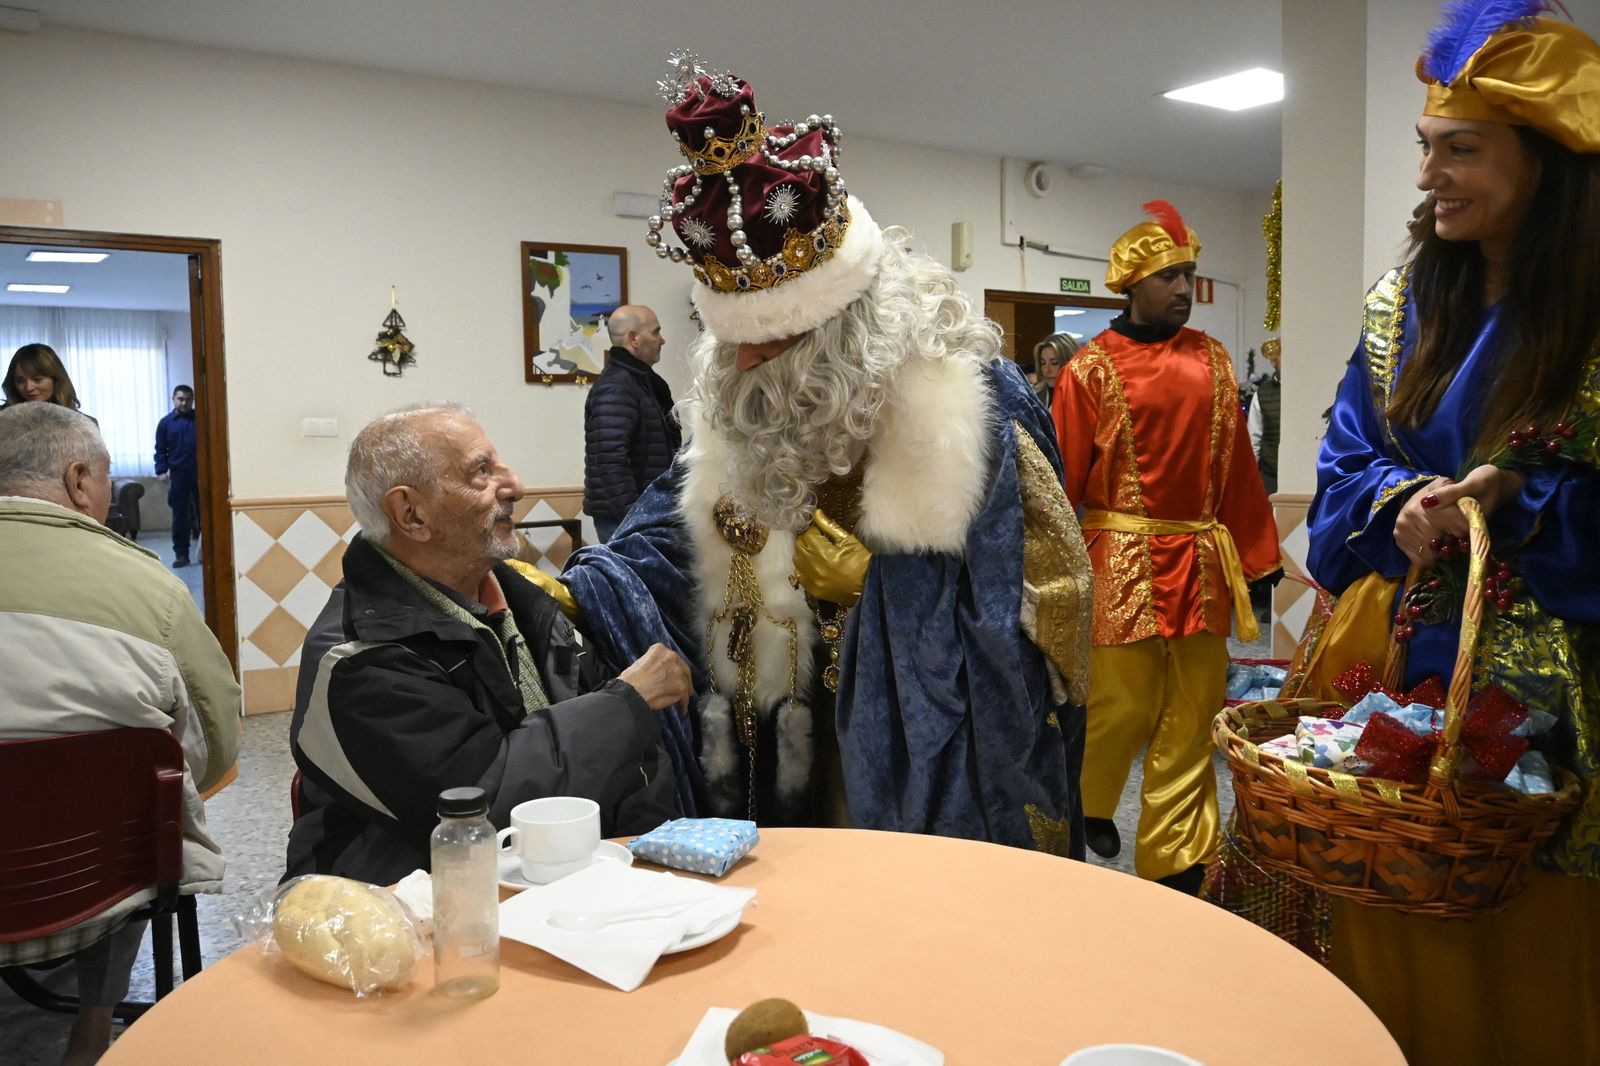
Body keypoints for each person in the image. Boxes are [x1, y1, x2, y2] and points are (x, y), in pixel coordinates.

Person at [540, 57, 1092, 854]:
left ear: (841, 331)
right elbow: (664, 533)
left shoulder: (973, 410)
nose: (747, 369)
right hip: (787, 723)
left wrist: (884, 585)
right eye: (734, 343)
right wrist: (573, 595)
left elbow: (1050, 606)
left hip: (923, 756)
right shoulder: (746, 404)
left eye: (770, 341)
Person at [1305, 5, 1600, 1062]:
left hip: (1566, 708)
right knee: (1390, 935)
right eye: (1426, 149)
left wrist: (1515, 502)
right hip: (1399, 680)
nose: (1429, 176)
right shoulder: (1399, 308)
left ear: (1549, 159)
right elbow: (1338, 478)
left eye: (1460, 150)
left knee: (1534, 969)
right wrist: (1403, 506)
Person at [284, 403, 689, 886]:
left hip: (571, 886)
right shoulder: (359, 660)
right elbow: (479, 804)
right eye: (481, 472)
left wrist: (641, 868)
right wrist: (627, 704)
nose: (515, 486)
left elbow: (638, 758)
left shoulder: (528, 605)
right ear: (411, 514)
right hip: (409, 910)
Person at [0, 402, 239, 1066]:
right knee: (141, 816)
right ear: (80, 480)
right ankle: (92, 1028)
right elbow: (217, 740)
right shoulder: (151, 589)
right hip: (95, 879)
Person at [1052, 200, 1280, 894]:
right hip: (1119, 562)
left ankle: (1178, 858)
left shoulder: (1213, 359)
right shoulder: (1088, 370)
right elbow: (1061, 477)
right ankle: (1087, 803)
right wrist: (1051, 579)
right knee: (1121, 706)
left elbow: (1237, 465)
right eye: (1169, 276)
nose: (1184, 289)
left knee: (1194, 712)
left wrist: (1255, 555)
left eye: (1190, 275)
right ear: (1131, 284)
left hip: (1202, 563)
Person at [582, 304, 681, 542]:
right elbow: (609, 461)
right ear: (633, 338)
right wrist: (634, 519)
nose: (662, 340)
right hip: (628, 520)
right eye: (656, 332)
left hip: (646, 515)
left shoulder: (639, 382)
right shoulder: (617, 387)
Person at [153, 384, 199, 568]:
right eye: (180, 399)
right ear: (173, 399)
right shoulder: (166, 423)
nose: (184, 403)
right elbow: (160, 449)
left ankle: (208, 553)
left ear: (192, 400)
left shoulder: (200, 420)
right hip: (178, 474)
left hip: (200, 473)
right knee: (180, 516)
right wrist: (161, 471)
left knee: (205, 514)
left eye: (188, 399)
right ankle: (181, 554)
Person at [3, 342, 83, 410]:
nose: (28, 388)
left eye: (37, 379)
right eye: (20, 381)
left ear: (56, 379)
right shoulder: (3, 417)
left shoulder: (83, 423)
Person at [1032, 332, 1079, 417]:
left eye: (1055, 363)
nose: (1047, 370)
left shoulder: (1084, 397)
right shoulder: (1035, 394)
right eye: (1043, 363)